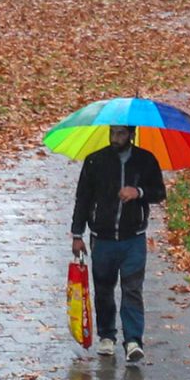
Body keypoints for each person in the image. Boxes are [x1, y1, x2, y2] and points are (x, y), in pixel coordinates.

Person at [70, 122, 166, 363]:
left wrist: (139, 192)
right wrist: (77, 234)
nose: (115, 137)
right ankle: (107, 336)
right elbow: (83, 197)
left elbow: (159, 192)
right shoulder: (95, 161)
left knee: (132, 289)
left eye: (121, 133)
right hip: (102, 238)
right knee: (103, 288)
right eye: (112, 132)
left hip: (133, 237)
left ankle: (133, 340)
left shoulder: (145, 160)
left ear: (131, 135)